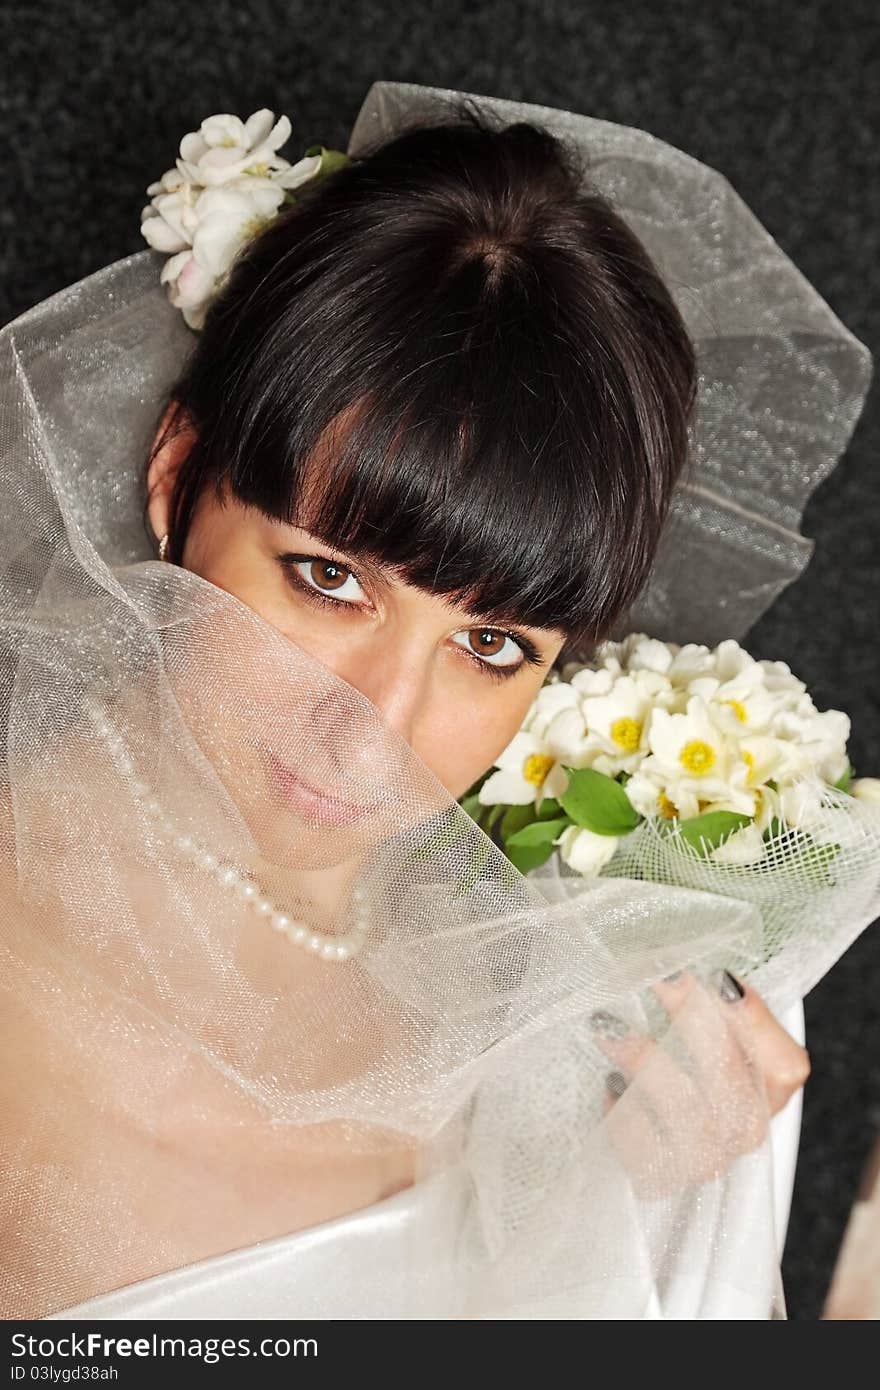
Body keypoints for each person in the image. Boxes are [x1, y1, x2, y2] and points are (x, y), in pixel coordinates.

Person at [0, 88, 870, 1322]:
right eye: (327, 580)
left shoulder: (574, 1008)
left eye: (494, 646)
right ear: (175, 474)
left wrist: (629, 1211)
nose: (374, 728)